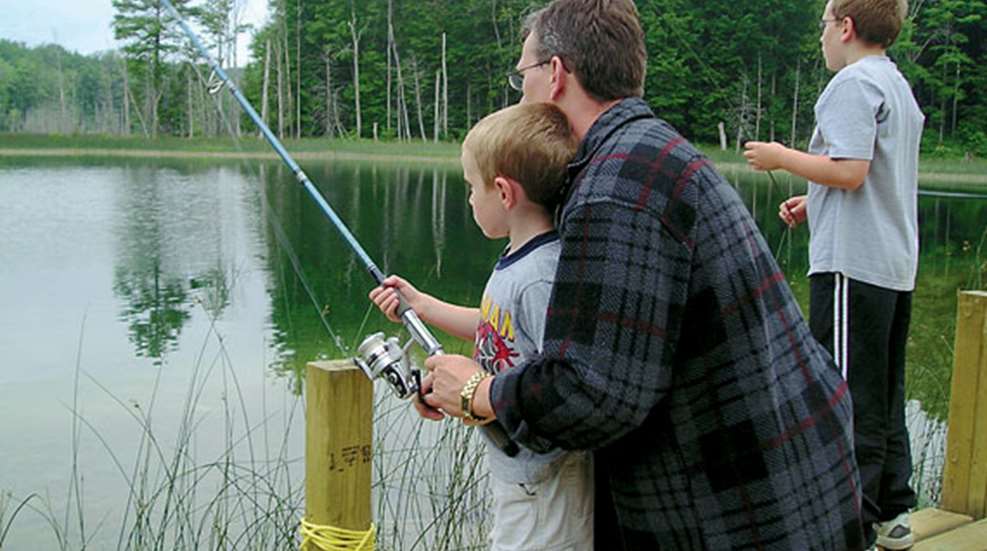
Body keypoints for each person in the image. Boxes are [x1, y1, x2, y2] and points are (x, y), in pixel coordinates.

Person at [420, 0, 867, 549]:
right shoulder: (643, 154)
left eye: (523, 77)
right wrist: (472, 388)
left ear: (556, 74)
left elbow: (594, 394)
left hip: (754, 514)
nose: (520, 96)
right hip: (793, 482)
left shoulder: (617, 188)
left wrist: (479, 392)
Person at [370, 102, 593, 551]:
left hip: (545, 486)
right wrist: (422, 306)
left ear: (504, 193)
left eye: (472, 187)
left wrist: (476, 395)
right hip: (520, 477)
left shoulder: (541, 276)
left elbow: (559, 384)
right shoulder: (518, 257)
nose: (470, 198)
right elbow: (497, 327)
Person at [744, 0, 923, 548]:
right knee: (883, 390)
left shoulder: (852, 83)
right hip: (892, 265)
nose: (821, 36)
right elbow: (869, 175)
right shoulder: (896, 84)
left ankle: (853, 522)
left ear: (846, 27)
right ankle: (893, 510)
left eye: (824, 24)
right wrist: (813, 201)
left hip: (852, 265)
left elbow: (850, 170)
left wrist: (781, 156)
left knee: (842, 393)